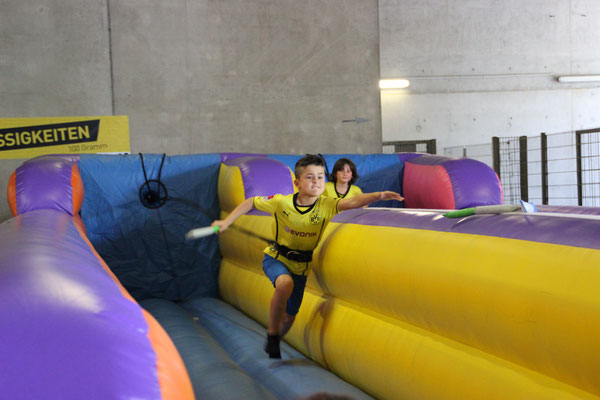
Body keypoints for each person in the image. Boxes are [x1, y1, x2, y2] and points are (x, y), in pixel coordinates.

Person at [211, 154, 403, 358]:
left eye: (320, 177)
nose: (316, 182)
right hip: (276, 258)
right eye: (310, 177)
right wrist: (227, 222)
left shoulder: (327, 205)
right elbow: (250, 202)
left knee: (290, 318)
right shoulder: (281, 203)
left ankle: (275, 338)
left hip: (300, 267)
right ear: (297, 183)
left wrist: (379, 195)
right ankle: (272, 332)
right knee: (285, 284)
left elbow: (354, 201)